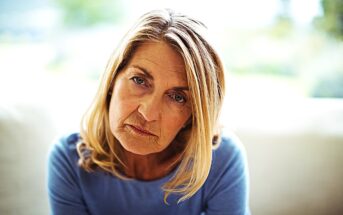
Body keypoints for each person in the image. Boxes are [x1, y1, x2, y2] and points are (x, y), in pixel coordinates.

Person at [47, 8, 250, 215]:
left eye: (178, 97)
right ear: (112, 81)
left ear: (193, 116)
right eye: (139, 80)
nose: (148, 113)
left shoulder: (221, 158)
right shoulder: (69, 158)